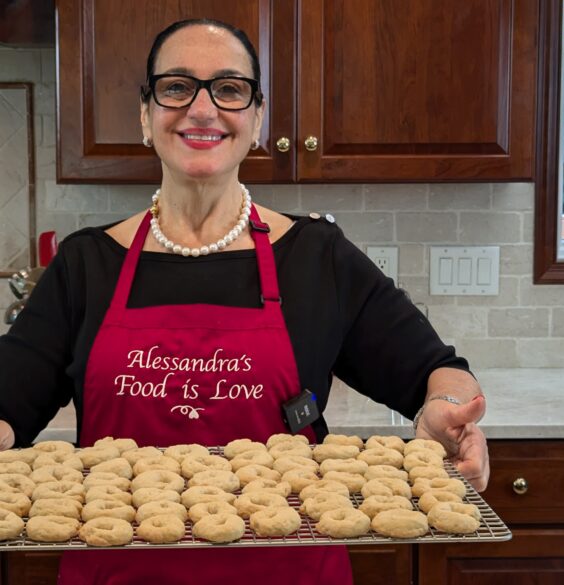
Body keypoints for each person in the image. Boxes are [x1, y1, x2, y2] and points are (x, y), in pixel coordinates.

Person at [0, 18, 488, 585]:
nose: (202, 109)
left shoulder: (317, 257)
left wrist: (450, 405)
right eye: (176, 87)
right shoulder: (87, 263)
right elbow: (11, 396)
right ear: (145, 114)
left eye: (229, 89)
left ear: (257, 118)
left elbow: (438, 371)